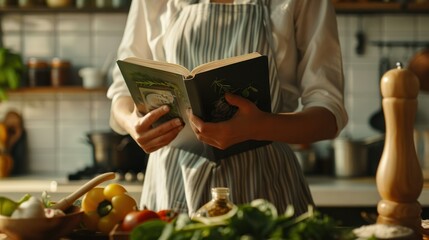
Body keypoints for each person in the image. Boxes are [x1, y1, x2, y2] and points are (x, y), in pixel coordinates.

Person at [107, 0, 348, 217]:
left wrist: (261, 127)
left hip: (265, 192)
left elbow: (328, 115)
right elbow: (122, 91)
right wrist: (131, 123)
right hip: (171, 184)